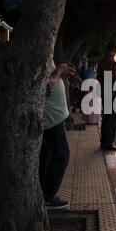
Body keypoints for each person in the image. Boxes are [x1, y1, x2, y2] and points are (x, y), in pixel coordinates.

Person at [39, 61, 75, 209]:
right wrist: (59, 71)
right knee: (62, 155)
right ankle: (47, 197)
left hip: (53, 117)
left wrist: (62, 72)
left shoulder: (44, 51)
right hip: (51, 118)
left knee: (46, 157)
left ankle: (42, 194)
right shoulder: (35, 51)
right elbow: (43, 87)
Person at [97, 41, 116, 151]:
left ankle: (104, 141)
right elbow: (114, 79)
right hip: (111, 94)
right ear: (115, 50)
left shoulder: (101, 61)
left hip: (104, 92)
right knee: (113, 119)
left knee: (106, 118)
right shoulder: (113, 63)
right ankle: (109, 142)